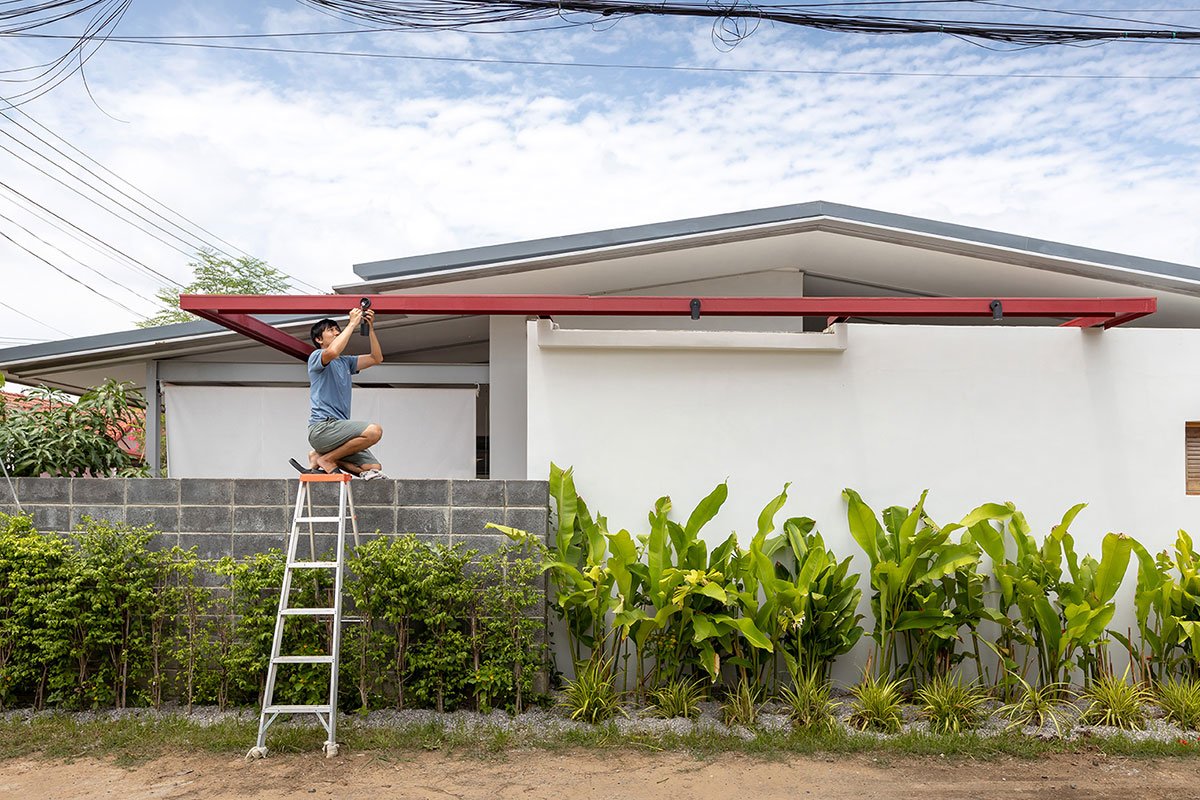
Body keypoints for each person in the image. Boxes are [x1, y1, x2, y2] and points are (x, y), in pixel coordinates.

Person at [299, 306, 387, 479]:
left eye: (337, 329)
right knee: (374, 431)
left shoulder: (346, 362)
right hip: (322, 428)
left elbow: (377, 358)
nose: (336, 332)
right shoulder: (316, 356)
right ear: (319, 339)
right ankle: (327, 459)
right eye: (330, 330)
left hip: (339, 432)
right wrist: (352, 323)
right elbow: (332, 351)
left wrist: (370, 328)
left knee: (374, 467)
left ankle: (321, 458)